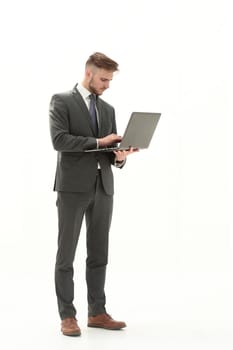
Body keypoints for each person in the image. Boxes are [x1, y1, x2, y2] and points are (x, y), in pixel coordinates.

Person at [49, 52, 138, 336]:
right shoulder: (61, 100)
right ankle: (67, 316)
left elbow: (110, 155)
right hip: (73, 188)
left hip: (103, 188)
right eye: (104, 79)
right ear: (89, 73)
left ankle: (97, 312)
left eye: (110, 80)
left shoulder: (108, 109)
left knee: (99, 253)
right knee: (66, 254)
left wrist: (121, 156)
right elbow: (59, 140)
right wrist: (100, 140)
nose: (107, 85)